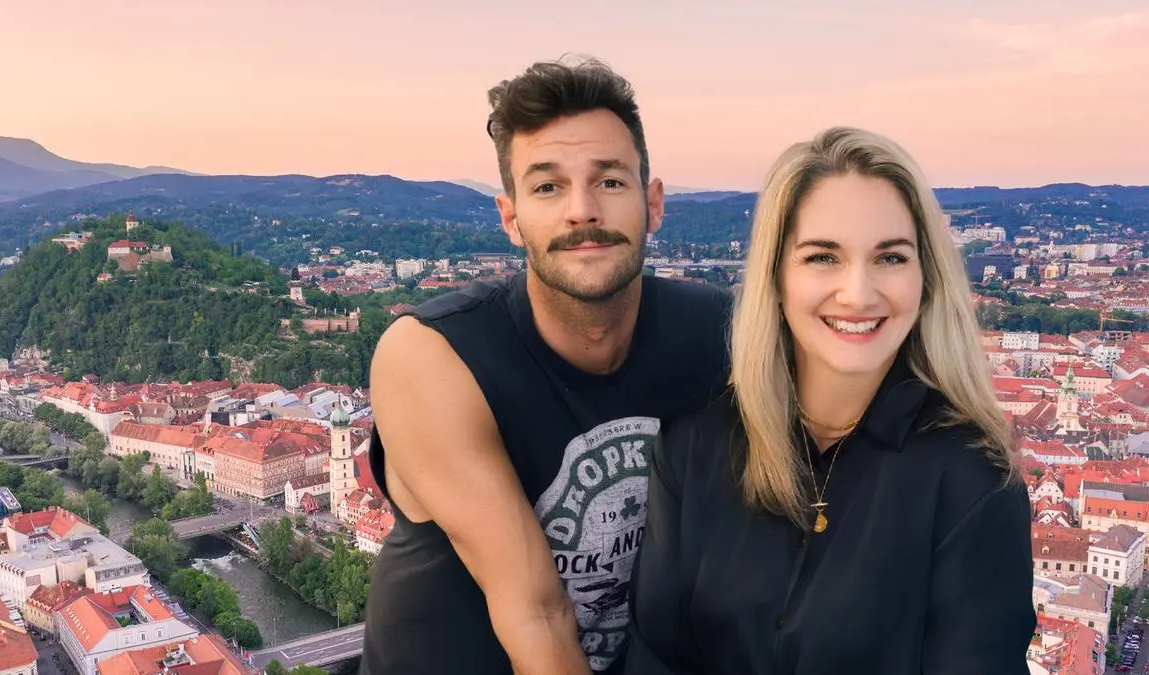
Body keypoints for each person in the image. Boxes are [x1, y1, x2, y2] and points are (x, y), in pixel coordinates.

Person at [359, 56, 733, 675]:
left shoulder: (718, 331)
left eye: (609, 181)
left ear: (654, 203)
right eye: (547, 187)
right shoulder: (435, 354)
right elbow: (538, 614)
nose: (582, 210)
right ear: (511, 219)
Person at [625, 126, 1037, 674]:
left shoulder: (972, 483)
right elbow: (654, 657)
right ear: (776, 277)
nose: (858, 294)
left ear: (926, 280)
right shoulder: (694, 447)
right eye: (823, 257)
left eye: (891, 258)